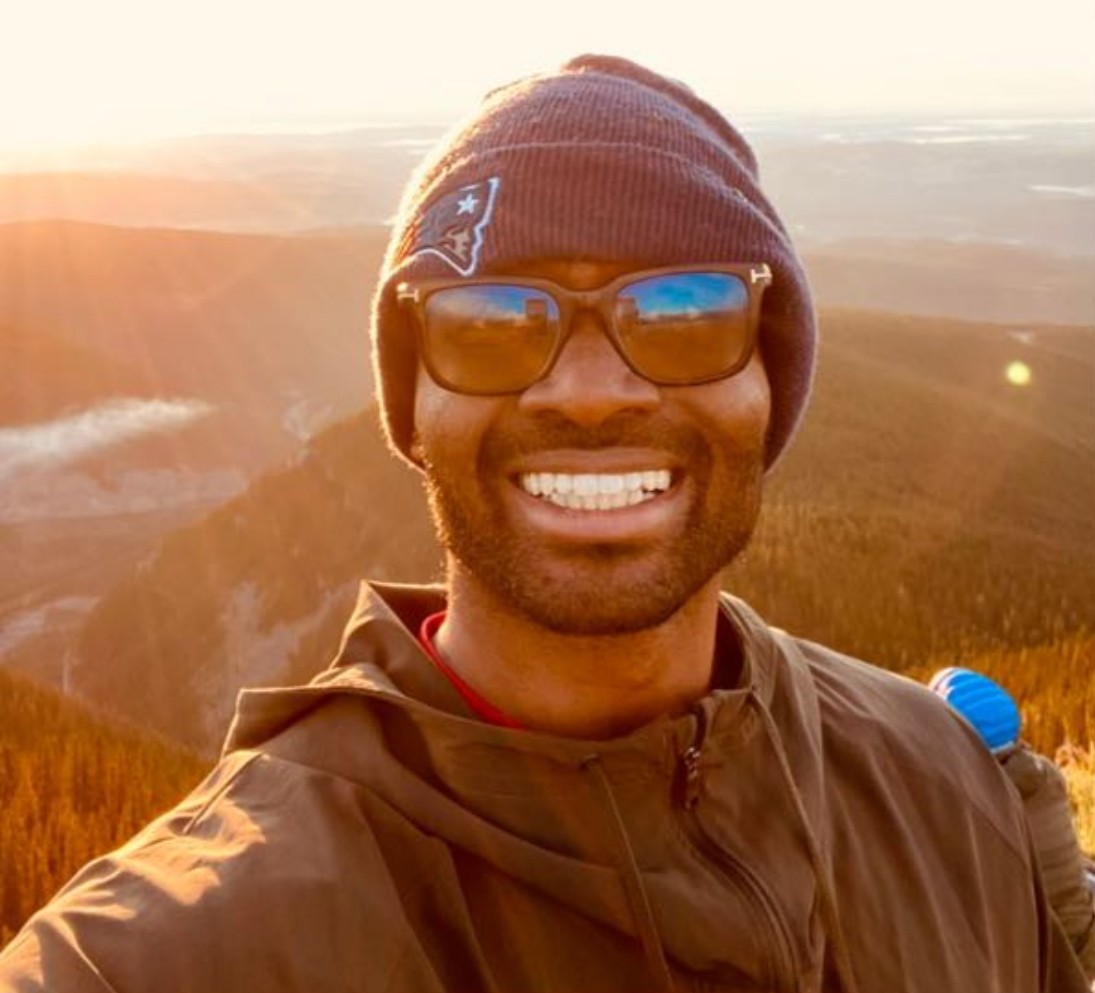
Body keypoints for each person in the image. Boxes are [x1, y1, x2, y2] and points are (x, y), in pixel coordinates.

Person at [0, 53, 1090, 993]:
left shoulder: (952, 792)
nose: (588, 391)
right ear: (414, 406)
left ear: (772, 379)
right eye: (492, 322)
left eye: (681, 312)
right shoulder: (165, 954)